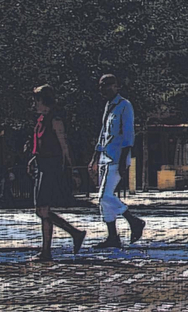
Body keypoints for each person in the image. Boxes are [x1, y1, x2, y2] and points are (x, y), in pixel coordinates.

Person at [29, 85, 85, 261]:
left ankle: (72, 234)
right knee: (42, 209)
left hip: (51, 166)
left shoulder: (55, 119)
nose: (34, 103)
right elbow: (39, 144)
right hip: (41, 164)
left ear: (43, 100)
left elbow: (64, 145)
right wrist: (33, 159)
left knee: (42, 209)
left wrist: (73, 168)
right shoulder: (40, 119)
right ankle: (48, 249)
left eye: (36, 100)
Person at [89, 73, 145, 248]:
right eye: (101, 86)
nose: (104, 89)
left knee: (104, 196)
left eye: (107, 85)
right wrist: (95, 157)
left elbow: (128, 134)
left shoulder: (124, 105)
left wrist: (123, 159)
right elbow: (102, 134)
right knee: (105, 199)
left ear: (116, 86)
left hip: (117, 158)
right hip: (105, 156)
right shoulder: (108, 107)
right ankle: (112, 236)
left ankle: (133, 220)